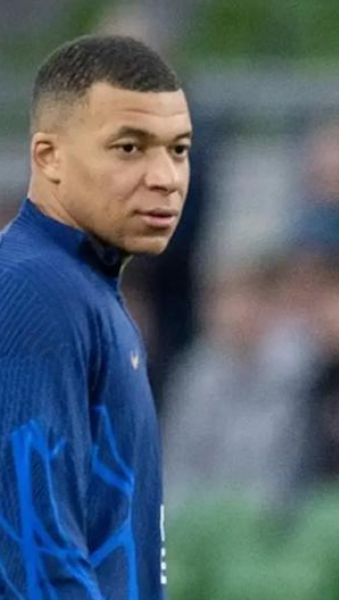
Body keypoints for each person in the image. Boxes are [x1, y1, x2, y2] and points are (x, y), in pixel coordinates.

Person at [0, 35, 191, 598]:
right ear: (48, 157)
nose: (165, 177)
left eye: (178, 149)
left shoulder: (81, 288)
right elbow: (34, 562)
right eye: (130, 148)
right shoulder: (35, 292)